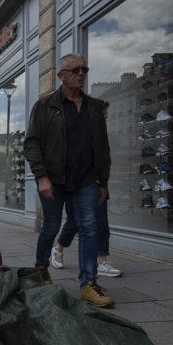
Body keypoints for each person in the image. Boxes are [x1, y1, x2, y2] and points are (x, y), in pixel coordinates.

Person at [24, 53, 115, 307]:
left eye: (84, 69)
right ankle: (41, 269)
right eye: (75, 70)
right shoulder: (45, 106)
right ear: (61, 75)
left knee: (89, 227)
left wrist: (103, 182)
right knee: (51, 226)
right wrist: (42, 176)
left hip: (86, 179)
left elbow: (103, 147)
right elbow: (32, 144)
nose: (81, 74)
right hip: (54, 179)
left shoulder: (94, 108)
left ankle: (88, 283)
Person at [50, 199, 123, 277]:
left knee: (102, 221)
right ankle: (58, 249)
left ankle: (101, 262)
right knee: (74, 221)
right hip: (75, 189)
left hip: (97, 188)